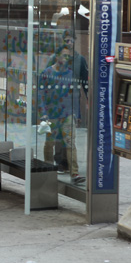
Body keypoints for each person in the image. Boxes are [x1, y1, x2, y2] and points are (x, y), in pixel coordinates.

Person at [39, 44, 85, 184]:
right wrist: (43, 113)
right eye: (62, 55)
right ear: (56, 56)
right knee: (50, 143)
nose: (65, 58)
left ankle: (74, 173)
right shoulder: (47, 73)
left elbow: (75, 96)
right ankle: (48, 168)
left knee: (70, 143)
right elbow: (40, 94)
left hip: (67, 114)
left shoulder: (70, 74)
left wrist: (77, 115)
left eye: (67, 56)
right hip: (52, 115)